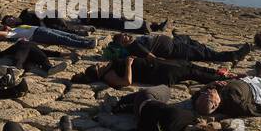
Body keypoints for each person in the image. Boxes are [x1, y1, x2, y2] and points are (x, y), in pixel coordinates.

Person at [96, 86, 228, 131]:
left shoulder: (179, 119)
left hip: (144, 99)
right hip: (144, 112)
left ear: (199, 127)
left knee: (166, 89)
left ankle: (121, 101)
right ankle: (124, 106)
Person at [70, 56, 226, 88]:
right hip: (156, 74)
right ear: (98, 73)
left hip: (154, 64)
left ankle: (219, 73)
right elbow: (127, 82)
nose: (100, 64)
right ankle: (217, 81)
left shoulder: (108, 67)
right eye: (98, 66)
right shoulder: (108, 76)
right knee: (190, 73)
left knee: (186, 64)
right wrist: (129, 64)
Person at [111, 32, 249, 64]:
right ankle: (234, 56)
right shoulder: (134, 46)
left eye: (124, 34)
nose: (126, 35)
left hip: (174, 42)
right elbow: (151, 57)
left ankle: (197, 45)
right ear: (122, 43)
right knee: (206, 54)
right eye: (123, 37)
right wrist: (165, 62)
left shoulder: (135, 41)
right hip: (175, 50)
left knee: (187, 38)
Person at [0, 23, 96, 50]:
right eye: (3, 27)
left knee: (69, 35)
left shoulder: (16, 28)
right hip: (39, 34)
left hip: (42, 29)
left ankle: (86, 40)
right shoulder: (11, 34)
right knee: (64, 40)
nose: (6, 27)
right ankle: (86, 45)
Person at [0, 41, 69, 77]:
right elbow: (5, 52)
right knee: (24, 51)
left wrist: (60, 54)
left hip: (29, 58)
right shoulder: (20, 44)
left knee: (40, 54)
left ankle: (50, 69)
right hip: (25, 59)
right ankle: (48, 68)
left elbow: (43, 52)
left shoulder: (30, 45)